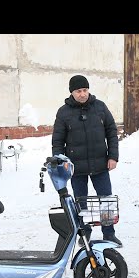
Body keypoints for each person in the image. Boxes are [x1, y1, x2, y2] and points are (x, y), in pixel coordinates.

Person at [52, 74, 122, 247]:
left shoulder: (100, 107)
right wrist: (61, 162)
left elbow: (111, 132)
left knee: (106, 200)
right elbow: (58, 141)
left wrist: (113, 156)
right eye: (78, 91)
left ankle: (109, 233)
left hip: (100, 164)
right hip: (76, 167)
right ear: (72, 93)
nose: (82, 94)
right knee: (80, 202)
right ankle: (85, 233)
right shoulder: (64, 112)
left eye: (84, 90)